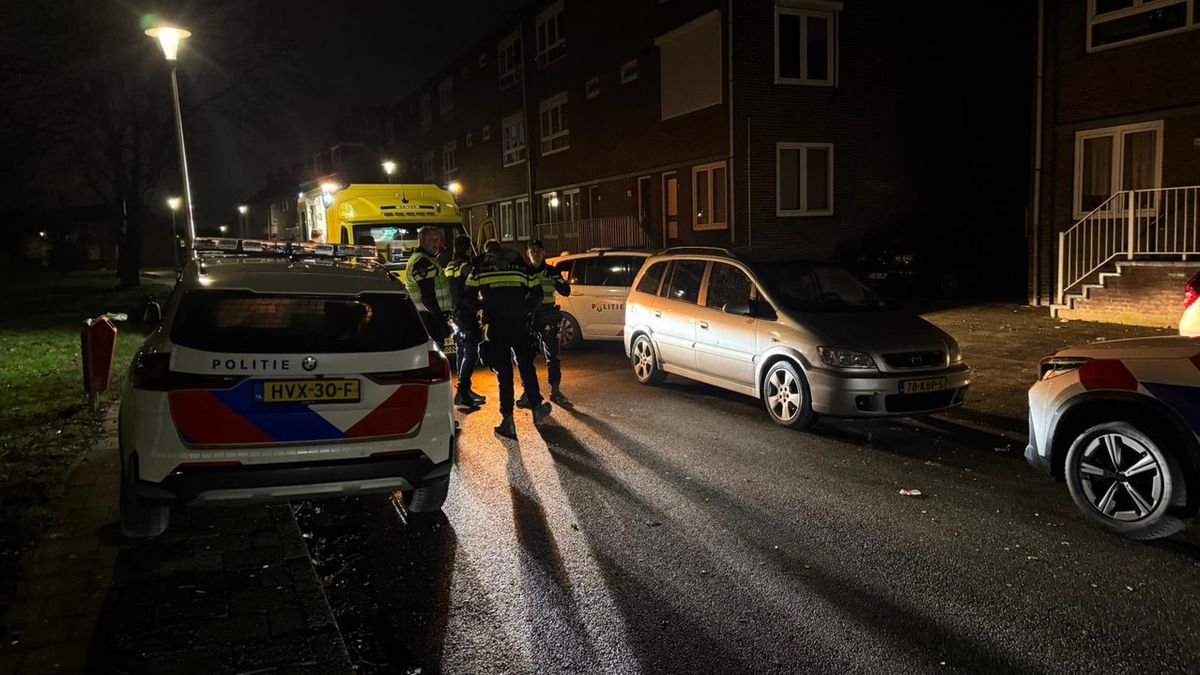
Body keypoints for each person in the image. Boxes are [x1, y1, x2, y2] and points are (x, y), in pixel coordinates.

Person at [465, 239, 551, 436]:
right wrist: (524, 309)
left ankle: (508, 420)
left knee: (504, 373)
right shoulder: (519, 264)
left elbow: (468, 297)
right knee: (526, 366)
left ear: (487, 251)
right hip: (519, 323)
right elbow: (537, 292)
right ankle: (537, 409)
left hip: (496, 325)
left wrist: (485, 308)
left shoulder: (480, 266)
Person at [519, 239, 571, 406]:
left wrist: (558, 278)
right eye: (532, 250)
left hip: (548, 314)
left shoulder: (552, 271)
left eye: (538, 250)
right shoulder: (523, 272)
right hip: (529, 316)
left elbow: (566, 291)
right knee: (526, 357)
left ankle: (555, 390)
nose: (535, 253)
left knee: (552, 355)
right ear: (527, 253)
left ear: (543, 253)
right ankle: (528, 391)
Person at [444, 234, 486, 408]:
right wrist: (482, 304)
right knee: (471, 351)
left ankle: (464, 390)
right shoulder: (466, 267)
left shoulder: (450, 266)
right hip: (467, 314)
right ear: (468, 248)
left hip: (455, 314)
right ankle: (463, 390)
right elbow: (472, 291)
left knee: (462, 350)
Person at [404, 226, 454, 345]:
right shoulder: (422, 262)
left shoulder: (428, 259)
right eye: (431, 240)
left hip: (431, 316)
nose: (436, 243)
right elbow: (427, 296)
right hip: (430, 318)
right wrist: (441, 322)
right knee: (441, 352)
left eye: (437, 239)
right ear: (422, 241)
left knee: (445, 351)